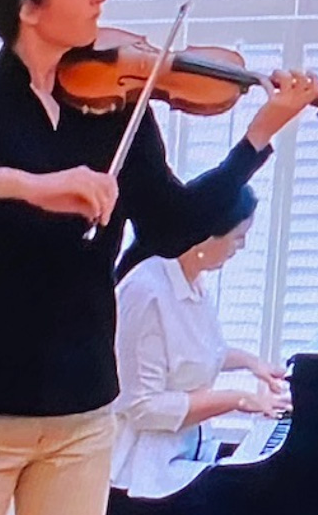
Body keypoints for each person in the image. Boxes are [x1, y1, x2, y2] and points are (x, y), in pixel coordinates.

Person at [0, 0, 318, 515]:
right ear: (30, 8)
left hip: (82, 410)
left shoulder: (113, 111)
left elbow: (172, 223)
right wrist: (27, 184)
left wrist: (257, 138)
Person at [109, 185, 290, 510]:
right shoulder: (145, 292)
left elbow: (195, 353)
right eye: (238, 236)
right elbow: (144, 408)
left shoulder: (192, 281)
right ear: (207, 234)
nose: (242, 245)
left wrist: (252, 363)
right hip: (142, 476)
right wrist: (239, 399)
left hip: (186, 455)